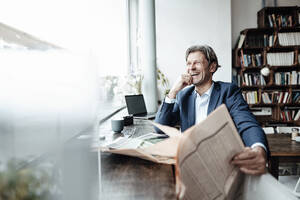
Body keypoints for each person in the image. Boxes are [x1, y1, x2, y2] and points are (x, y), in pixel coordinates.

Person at [155, 45, 269, 175]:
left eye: (197, 63)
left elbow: (246, 123)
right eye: (188, 63)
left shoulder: (228, 92)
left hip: (221, 163)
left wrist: (258, 148)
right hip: (191, 162)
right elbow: (160, 128)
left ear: (212, 67)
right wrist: (173, 91)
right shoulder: (183, 96)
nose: (191, 68)